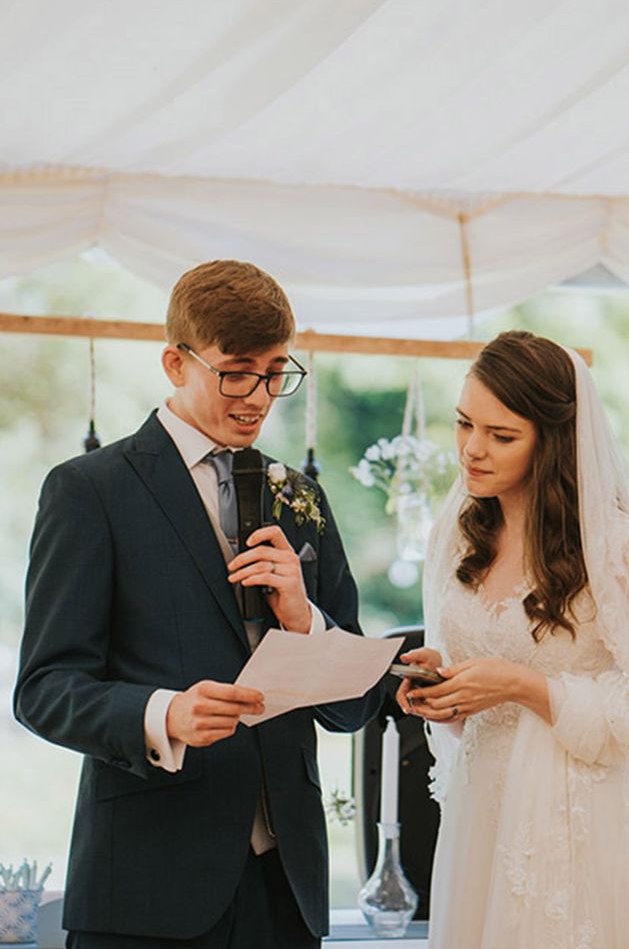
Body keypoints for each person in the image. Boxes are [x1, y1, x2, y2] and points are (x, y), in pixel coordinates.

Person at [14, 259, 383, 949]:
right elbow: (43, 690)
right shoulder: (88, 492)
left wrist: (306, 621)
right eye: (236, 371)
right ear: (174, 364)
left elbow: (353, 708)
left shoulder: (300, 497)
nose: (259, 396)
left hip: (287, 892)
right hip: (146, 893)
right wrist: (167, 714)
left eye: (276, 372)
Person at [396, 330, 629, 948]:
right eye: (464, 424)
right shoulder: (457, 536)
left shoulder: (620, 550)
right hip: (483, 818)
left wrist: (525, 686)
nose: (471, 451)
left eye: (501, 435)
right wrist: (446, 689)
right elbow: (469, 699)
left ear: (556, 440)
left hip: (579, 834)